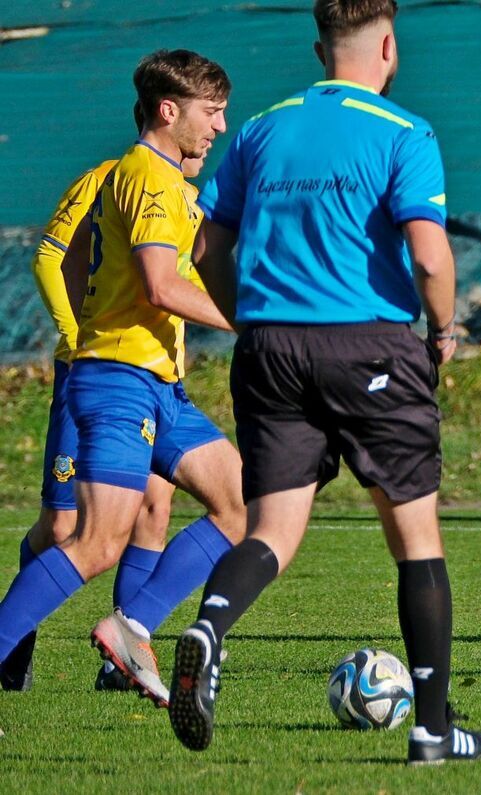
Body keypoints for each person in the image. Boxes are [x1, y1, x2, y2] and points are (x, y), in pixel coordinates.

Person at [168, 0, 481, 765]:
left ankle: (208, 625)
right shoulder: (404, 132)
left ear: (319, 49)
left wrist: (246, 315)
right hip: (368, 343)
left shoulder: (259, 130)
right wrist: (441, 331)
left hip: (270, 345)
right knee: (415, 538)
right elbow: (432, 258)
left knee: (272, 530)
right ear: (389, 46)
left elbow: (208, 240)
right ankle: (432, 728)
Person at [0, 50, 247, 709]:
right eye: (211, 112)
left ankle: (131, 627)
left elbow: (108, 261)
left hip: (159, 386)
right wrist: (243, 319)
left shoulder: (158, 181)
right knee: (94, 541)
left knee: (238, 502)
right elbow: (161, 285)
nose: (219, 127)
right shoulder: (147, 176)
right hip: (117, 380)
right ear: (170, 111)